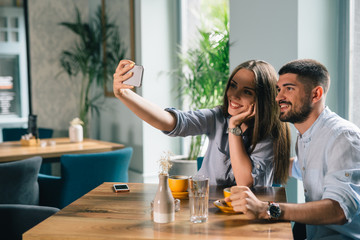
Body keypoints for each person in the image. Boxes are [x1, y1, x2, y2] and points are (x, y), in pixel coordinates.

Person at [225, 59, 360, 239]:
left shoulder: (343, 137)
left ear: (316, 94)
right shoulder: (307, 135)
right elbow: (301, 167)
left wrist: (266, 209)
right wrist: (259, 166)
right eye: (278, 89)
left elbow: (339, 210)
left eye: (289, 88)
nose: (278, 97)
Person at [113, 59, 291, 187]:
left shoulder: (269, 135)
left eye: (247, 91)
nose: (234, 95)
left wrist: (233, 128)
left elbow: (245, 183)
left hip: (246, 217)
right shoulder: (217, 117)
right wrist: (125, 95)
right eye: (233, 85)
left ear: (262, 99)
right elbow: (171, 122)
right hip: (204, 207)